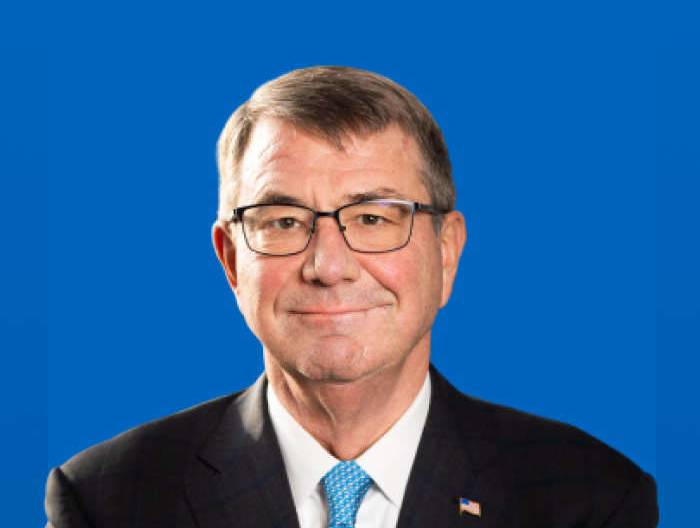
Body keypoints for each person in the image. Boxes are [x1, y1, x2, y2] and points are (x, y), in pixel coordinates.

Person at [45, 66, 658, 528]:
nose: (328, 267)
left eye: (372, 218)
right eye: (283, 221)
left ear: (446, 253)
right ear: (232, 260)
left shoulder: (590, 499)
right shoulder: (109, 499)